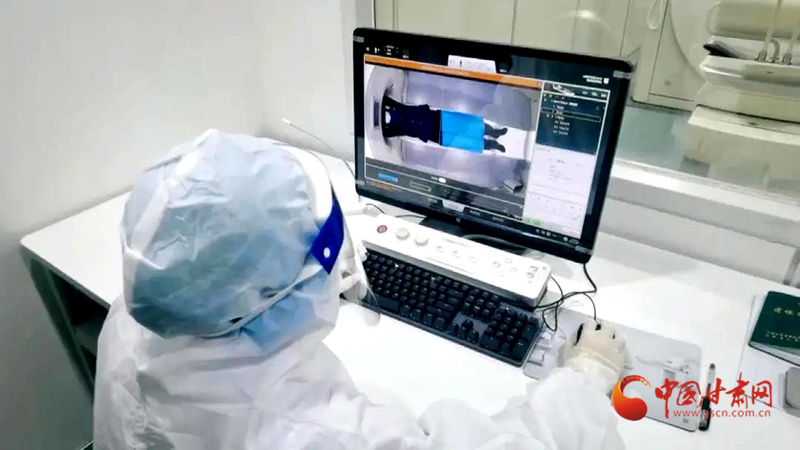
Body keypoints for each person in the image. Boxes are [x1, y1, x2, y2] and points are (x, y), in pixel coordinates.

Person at [93, 130, 629, 449]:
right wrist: (584, 381)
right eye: (329, 240)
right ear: (275, 292)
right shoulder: (322, 434)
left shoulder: (136, 318)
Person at [382, 95, 508, 153]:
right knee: (467, 141)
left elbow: (400, 106)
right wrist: (388, 131)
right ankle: (492, 144)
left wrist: (389, 102)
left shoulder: (405, 111)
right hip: (435, 133)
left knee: (468, 125)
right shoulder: (401, 124)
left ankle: (493, 132)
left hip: (438, 119)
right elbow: (399, 130)